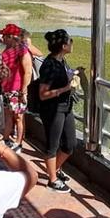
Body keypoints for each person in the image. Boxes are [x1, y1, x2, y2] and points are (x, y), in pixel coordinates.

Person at [37, 29, 79, 194]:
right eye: (70, 41)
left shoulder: (62, 61)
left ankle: (56, 168)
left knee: (70, 144)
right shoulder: (50, 65)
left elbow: (63, 77)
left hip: (65, 107)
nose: (71, 43)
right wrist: (66, 88)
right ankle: (52, 180)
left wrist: (73, 74)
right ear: (63, 46)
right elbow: (43, 94)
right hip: (53, 109)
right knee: (52, 145)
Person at [0, 24, 32, 152]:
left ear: (11, 37)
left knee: (18, 117)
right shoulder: (6, 51)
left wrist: (23, 91)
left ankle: (19, 143)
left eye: (5, 36)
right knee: (8, 116)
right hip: (7, 90)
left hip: (18, 90)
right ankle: (6, 138)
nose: (2, 38)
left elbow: (27, 71)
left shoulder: (22, 50)